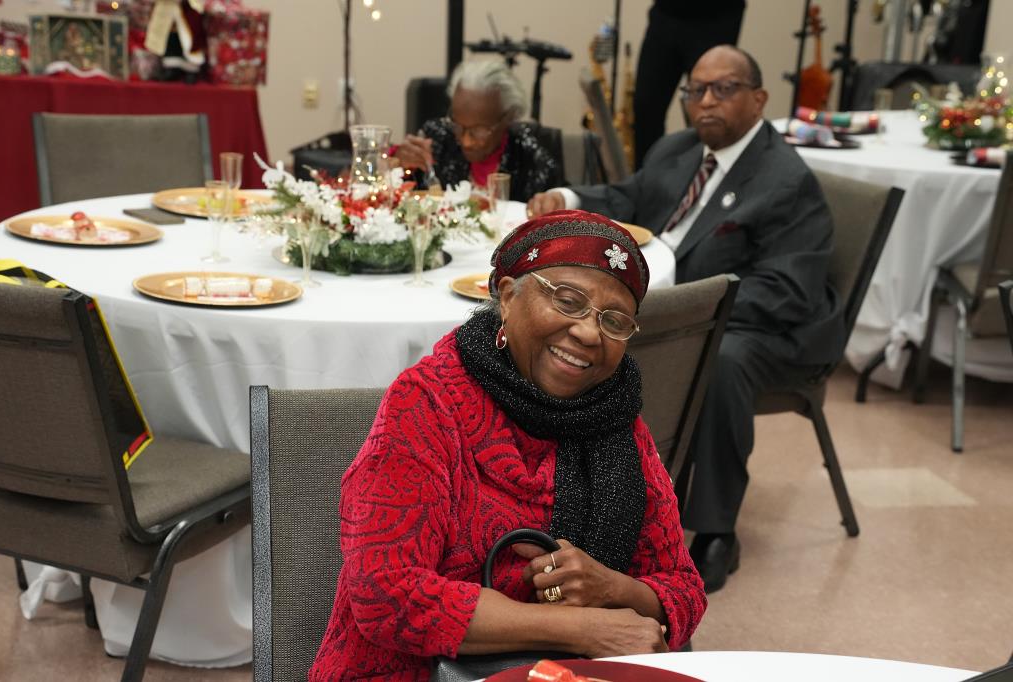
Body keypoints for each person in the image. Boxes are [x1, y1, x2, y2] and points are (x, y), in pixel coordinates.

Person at [309, 210, 706, 679]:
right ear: (508, 296)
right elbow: (387, 594)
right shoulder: (427, 404)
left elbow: (684, 589)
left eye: (614, 321)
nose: (588, 332)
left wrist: (612, 588)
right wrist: (580, 628)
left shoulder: (615, 419)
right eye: (568, 300)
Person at [527, 46, 846, 594]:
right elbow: (629, 197)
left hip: (765, 326)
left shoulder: (785, 180)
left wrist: (692, 309)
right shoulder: (678, 149)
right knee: (565, 326)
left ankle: (718, 530)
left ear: (759, 99)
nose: (706, 102)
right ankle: (572, 497)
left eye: (723, 89)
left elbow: (788, 290)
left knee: (720, 361)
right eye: (695, 90)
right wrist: (568, 196)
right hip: (669, 303)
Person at [392, 58, 561, 202]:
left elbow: (556, 208)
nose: (466, 141)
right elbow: (401, 196)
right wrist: (399, 166)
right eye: (458, 125)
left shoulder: (531, 158)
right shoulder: (437, 138)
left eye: (479, 131)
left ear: (508, 117)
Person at [633, 1, 746, 169]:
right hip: (666, 12)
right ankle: (647, 178)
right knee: (645, 106)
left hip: (716, 18)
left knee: (711, 110)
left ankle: (708, 178)